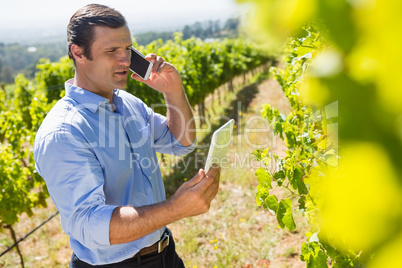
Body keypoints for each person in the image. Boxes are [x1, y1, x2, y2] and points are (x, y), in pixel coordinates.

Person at [33, 4, 220, 268]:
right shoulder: (64, 131)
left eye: (128, 49)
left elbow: (180, 143)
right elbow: (89, 223)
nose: (125, 60)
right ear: (79, 53)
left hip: (165, 254)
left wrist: (173, 91)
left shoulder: (128, 102)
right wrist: (175, 208)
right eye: (112, 51)